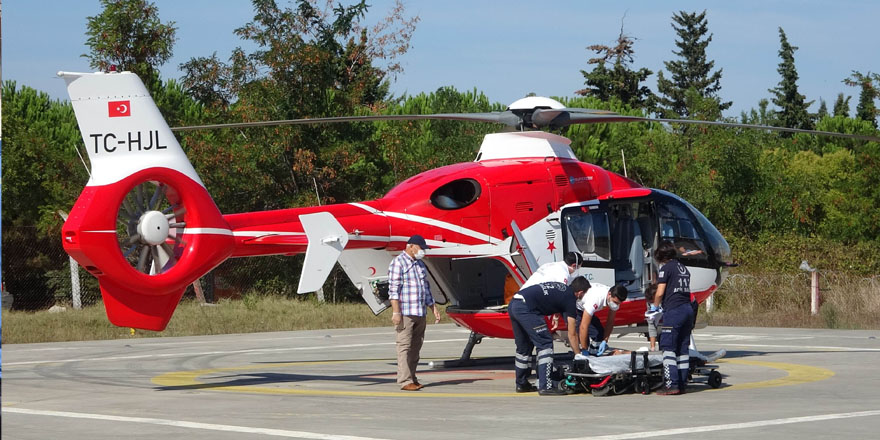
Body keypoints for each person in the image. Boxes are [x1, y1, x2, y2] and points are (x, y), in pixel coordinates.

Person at [508, 276, 590, 396]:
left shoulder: (563, 289)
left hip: (515, 303)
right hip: (527, 308)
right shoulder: (571, 299)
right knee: (545, 343)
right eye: (584, 295)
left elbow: (551, 298)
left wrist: (556, 316)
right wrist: (578, 355)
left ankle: (521, 384)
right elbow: (572, 333)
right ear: (580, 293)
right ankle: (545, 386)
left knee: (524, 347)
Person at [388, 235, 442, 391]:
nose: (423, 251)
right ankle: (405, 381)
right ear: (411, 246)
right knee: (404, 346)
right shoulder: (398, 263)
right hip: (406, 312)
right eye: (421, 248)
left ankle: (412, 376)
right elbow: (394, 290)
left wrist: (433, 308)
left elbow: (426, 287)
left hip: (420, 311)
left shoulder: (420, 264)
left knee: (416, 347)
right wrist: (396, 312)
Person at [648, 240, 694, 396]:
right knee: (682, 349)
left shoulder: (666, 268)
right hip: (688, 310)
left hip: (674, 312)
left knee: (668, 347)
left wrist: (654, 308)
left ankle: (671, 384)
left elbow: (660, 292)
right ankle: (681, 383)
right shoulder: (683, 268)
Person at [577, 283, 628, 356]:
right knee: (582, 338)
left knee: (600, 333)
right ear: (609, 294)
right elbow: (583, 326)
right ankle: (581, 355)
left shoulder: (613, 299)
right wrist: (584, 349)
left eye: (619, 303)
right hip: (576, 307)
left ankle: (593, 353)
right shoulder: (596, 299)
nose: (616, 305)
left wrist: (605, 340)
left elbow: (610, 321)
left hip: (586, 308)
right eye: (615, 302)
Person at [644, 284, 660, 351]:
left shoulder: (668, 302)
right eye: (650, 302)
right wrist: (652, 347)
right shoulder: (649, 305)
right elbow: (651, 325)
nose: (652, 304)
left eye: (653, 301)